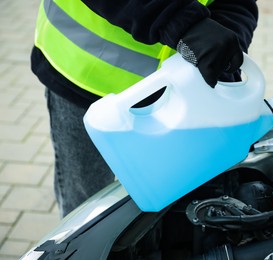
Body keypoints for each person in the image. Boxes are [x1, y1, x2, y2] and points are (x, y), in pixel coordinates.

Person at [31, 0, 259, 217]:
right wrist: (182, 23)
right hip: (86, 82)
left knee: (170, 211)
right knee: (85, 209)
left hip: (180, 96)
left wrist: (226, 40)